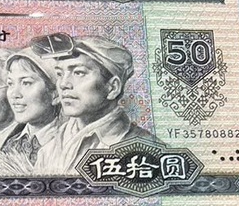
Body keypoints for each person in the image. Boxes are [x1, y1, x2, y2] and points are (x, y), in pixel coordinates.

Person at [35, 35, 152, 175]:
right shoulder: (49, 148)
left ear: (112, 87)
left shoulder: (145, 150)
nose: (63, 84)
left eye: (78, 72)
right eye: (60, 74)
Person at [0, 45, 61, 175]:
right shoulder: (10, 144)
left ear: (55, 94)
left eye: (26, 83)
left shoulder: (67, 143)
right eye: (10, 83)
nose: (14, 94)